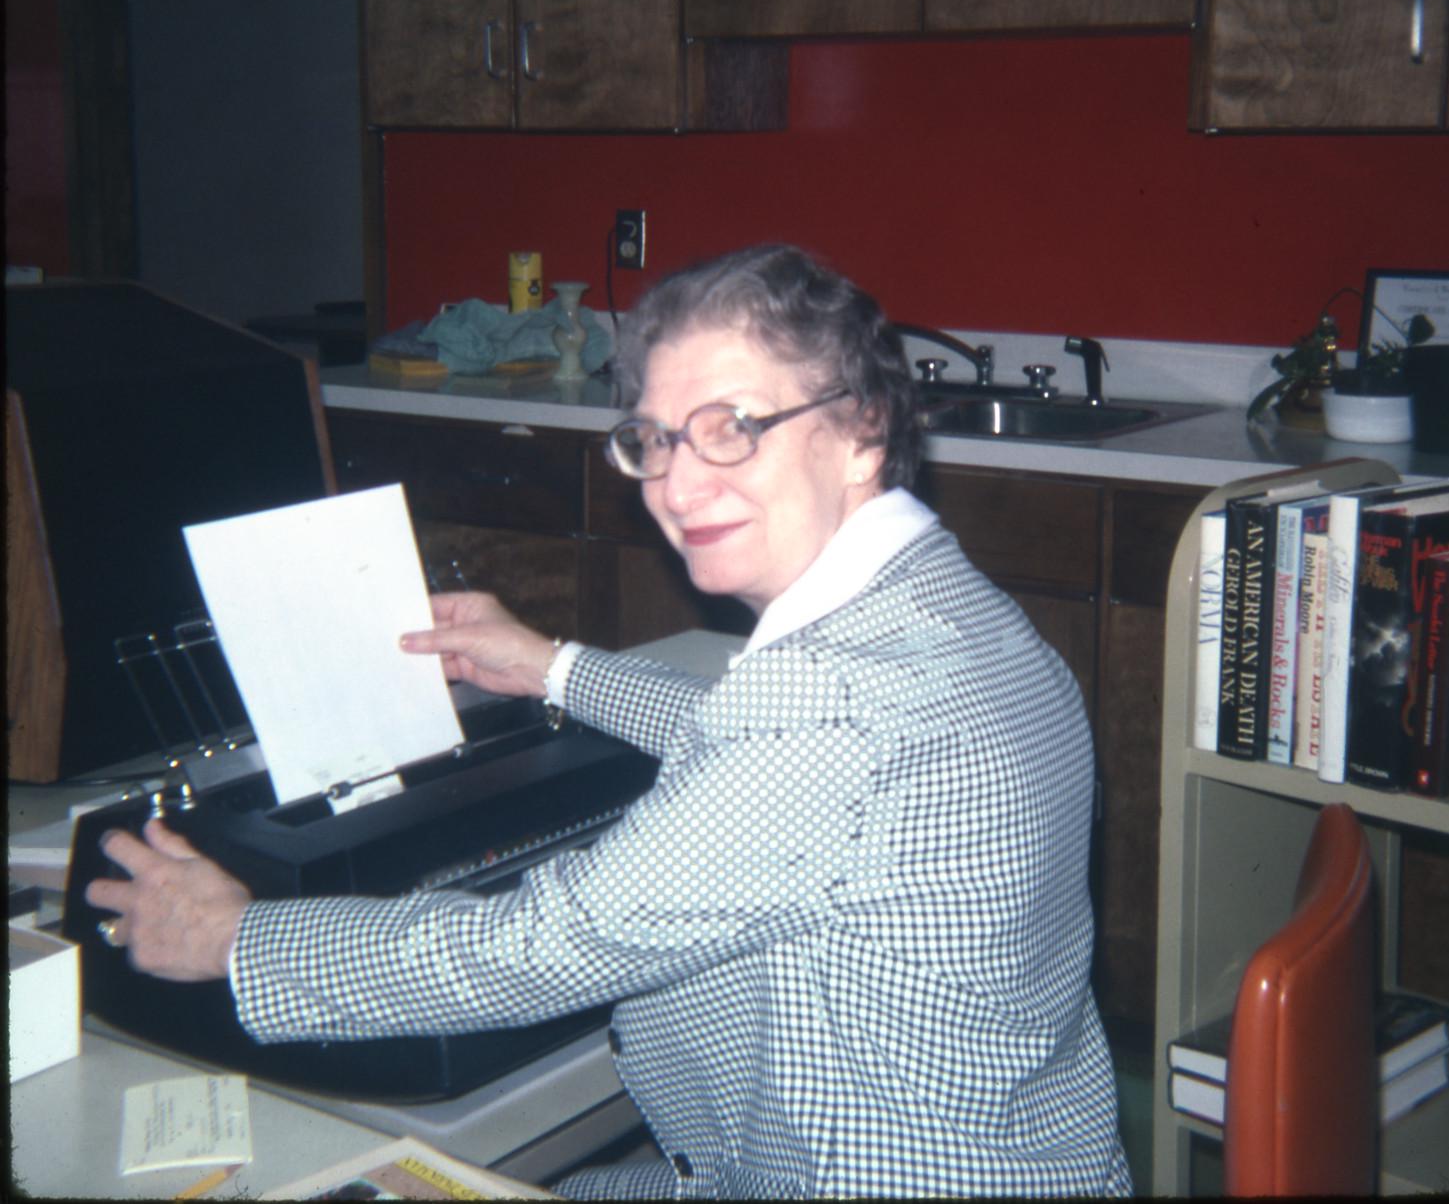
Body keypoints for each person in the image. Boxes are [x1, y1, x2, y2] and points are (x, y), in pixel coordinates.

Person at [87, 243, 1132, 1199]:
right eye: (655, 440)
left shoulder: (825, 709)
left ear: (860, 430)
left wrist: (236, 941)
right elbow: (751, 737)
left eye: (734, 428)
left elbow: (536, 944)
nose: (679, 483)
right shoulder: (962, 618)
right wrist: (550, 665)